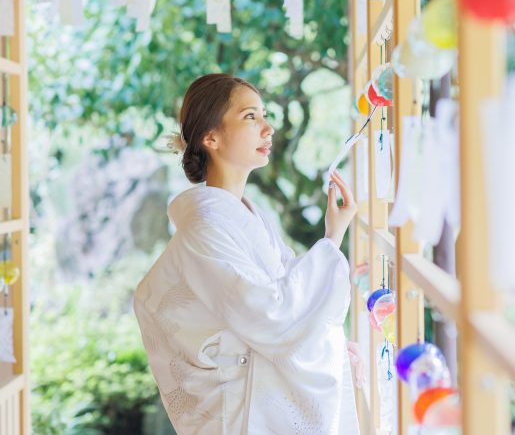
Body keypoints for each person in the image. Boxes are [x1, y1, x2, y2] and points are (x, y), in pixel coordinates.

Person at [133, 74, 364, 435]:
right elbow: (269, 314)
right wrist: (332, 239)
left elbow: (284, 289)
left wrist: (331, 343)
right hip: (240, 414)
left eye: (264, 115)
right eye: (250, 117)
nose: (268, 129)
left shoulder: (247, 213)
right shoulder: (204, 226)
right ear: (211, 138)